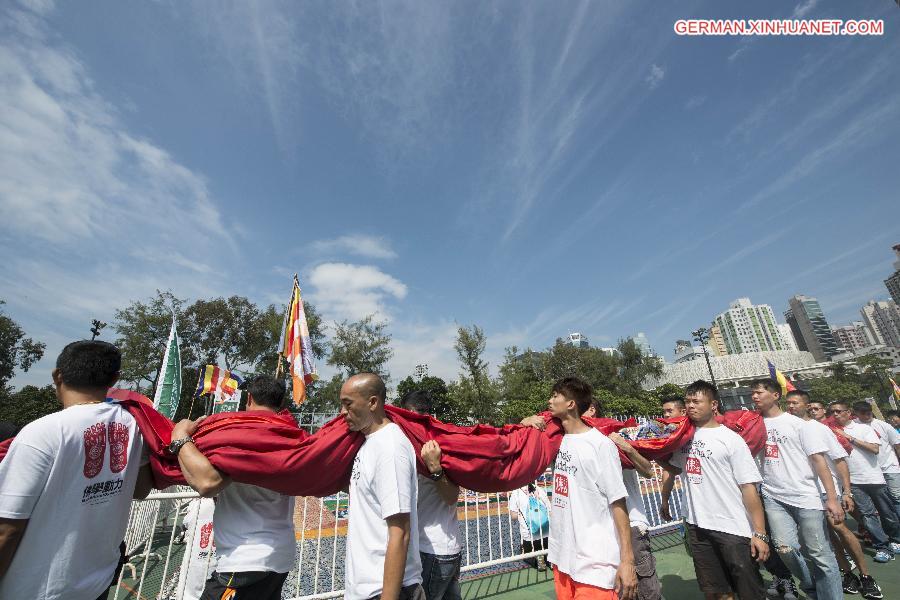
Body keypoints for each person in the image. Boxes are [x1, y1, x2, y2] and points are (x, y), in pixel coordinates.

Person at [0, 340, 154, 600]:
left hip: (35, 589)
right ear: (114, 378)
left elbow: (7, 528)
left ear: (57, 375)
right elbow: (141, 489)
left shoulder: (41, 432)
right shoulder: (134, 426)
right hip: (97, 582)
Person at [170, 375, 297, 600]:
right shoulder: (291, 437)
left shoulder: (243, 436)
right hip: (279, 555)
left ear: (248, 398)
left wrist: (180, 436)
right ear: (281, 403)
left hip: (246, 559)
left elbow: (207, 482)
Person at [523, 377, 637, 600]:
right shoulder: (556, 441)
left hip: (594, 565)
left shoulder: (600, 445)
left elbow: (618, 503)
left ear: (571, 404)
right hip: (562, 558)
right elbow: (520, 449)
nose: (549, 400)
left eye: (556, 395)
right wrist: (526, 422)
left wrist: (627, 561)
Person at [659, 380, 769, 600]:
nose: (691, 406)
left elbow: (748, 488)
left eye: (697, 401)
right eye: (688, 401)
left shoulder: (730, 439)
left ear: (713, 404)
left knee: (749, 591)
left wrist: (759, 532)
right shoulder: (683, 439)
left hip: (731, 526)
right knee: (715, 592)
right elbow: (675, 468)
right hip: (697, 525)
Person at [750, 378, 843, 600]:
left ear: (775, 395)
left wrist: (832, 498)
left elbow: (819, 461)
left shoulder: (799, 425)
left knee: (820, 554)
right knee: (785, 549)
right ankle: (812, 586)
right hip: (773, 496)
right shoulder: (754, 425)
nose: (754, 396)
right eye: (752, 393)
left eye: (758, 392)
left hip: (807, 496)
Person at [785, 390, 883, 599]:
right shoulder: (787, 428)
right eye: (788, 403)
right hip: (805, 493)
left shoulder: (819, 429)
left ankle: (866, 576)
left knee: (841, 529)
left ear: (807, 405)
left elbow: (839, 460)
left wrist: (846, 492)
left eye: (796, 403)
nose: (791, 407)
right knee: (827, 538)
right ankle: (847, 573)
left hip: (826, 491)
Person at [340, 374, 424, 600]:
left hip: (386, 590)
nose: (342, 412)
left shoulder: (389, 448)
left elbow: (400, 532)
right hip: (368, 589)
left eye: (348, 404)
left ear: (373, 403)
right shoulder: (367, 443)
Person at [587, 398, 662, 599]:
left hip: (633, 526)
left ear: (592, 410)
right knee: (619, 592)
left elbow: (648, 470)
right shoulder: (579, 442)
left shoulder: (618, 434)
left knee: (647, 591)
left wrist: (626, 447)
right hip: (602, 531)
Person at [399, 391, 462, 600]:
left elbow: (452, 496)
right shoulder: (408, 445)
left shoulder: (439, 444)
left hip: (434, 551)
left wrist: (435, 468)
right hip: (436, 549)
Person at [828, 401, 900, 563]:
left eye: (839, 411)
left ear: (848, 412)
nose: (835, 414)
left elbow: (875, 449)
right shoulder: (830, 432)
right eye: (832, 412)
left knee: (887, 512)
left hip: (873, 477)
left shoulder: (864, 428)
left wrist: (849, 438)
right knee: (867, 515)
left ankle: (895, 539)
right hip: (853, 480)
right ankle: (882, 546)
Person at [852, 401, 900, 515]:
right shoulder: (853, 425)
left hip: (890, 467)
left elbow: (897, 446)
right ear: (856, 413)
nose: (867, 415)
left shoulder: (883, 425)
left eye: (869, 412)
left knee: (897, 497)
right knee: (883, 501)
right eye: (863, 413)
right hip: (871, 471)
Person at [508, 483, 551, 571]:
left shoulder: (516, 493)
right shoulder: (539, 489)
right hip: (546, 532)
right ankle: (550, 561)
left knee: (525, 554)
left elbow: (514, 517)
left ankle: (536, 560)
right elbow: (549, 510)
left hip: (529, 535)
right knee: (547, 548)